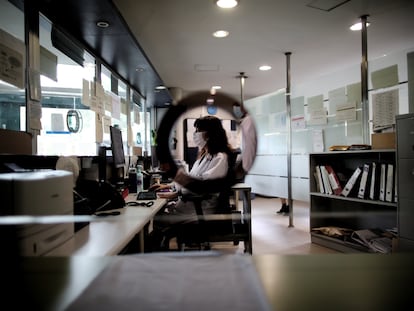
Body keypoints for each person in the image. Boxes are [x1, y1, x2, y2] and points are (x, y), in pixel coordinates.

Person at [148, 115, 235, 251]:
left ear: (209, 134)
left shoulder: (219, 157)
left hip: (199, 209)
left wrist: (177, 192)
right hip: (189, 205)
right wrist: (169, 186)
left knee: (156, 219)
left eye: (198, 130)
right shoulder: (206, 155)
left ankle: (157, 255)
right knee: (157, 216)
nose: (195, 134)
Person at [232, 102, 257, 181]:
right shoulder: (246, 121)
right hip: (246, 158)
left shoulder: (249, 120)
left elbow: (249, 144)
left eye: (237, 107)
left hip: (249, 158)